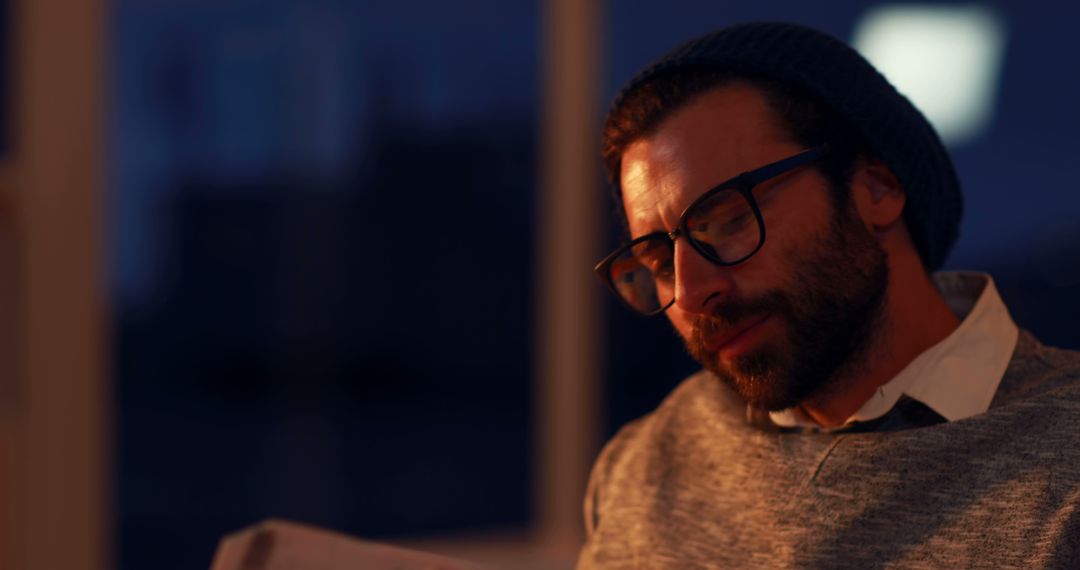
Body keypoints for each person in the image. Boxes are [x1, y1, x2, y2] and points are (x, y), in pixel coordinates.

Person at [579, 22, 1080, 569]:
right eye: (657, 262)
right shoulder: (643, 464)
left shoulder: (1063, 462)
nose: (694, 292)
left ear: (876, 190)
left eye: (727, 221)